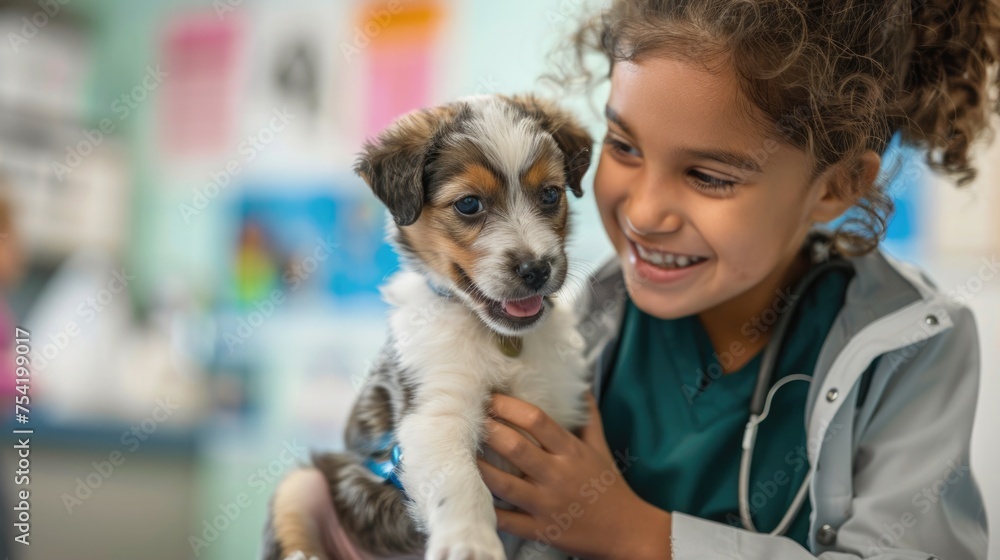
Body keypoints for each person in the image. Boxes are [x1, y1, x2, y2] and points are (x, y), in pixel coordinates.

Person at [260, 0, 999, 558]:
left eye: (709, 175)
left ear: (835, 187)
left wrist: (639, 533)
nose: (643, 212)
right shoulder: (586, 318)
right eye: (622, 144)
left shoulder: (912, 349)